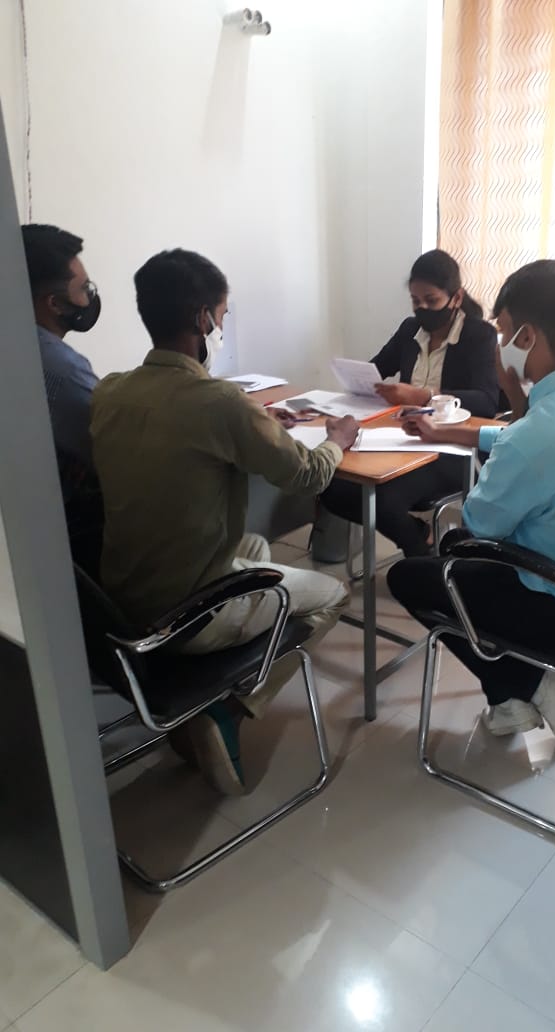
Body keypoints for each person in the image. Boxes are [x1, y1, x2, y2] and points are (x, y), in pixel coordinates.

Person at [90, 248, 358, 795]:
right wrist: (338, 440)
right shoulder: (217, 402)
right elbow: (308, 476)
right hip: (187, 615)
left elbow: (188, 428)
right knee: (334, 595)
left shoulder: (111, 390)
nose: (221, 326)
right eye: (222, 315)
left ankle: (223, 676)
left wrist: (254, 418)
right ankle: (229, 707)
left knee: (254, 544)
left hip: (123, 599)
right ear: (202, 319)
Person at [387, 259, 555, 746]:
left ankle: (521, 684)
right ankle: (515, 691)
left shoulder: (535, 436)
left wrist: (511, 396)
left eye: (502, 332)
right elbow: (535, 435)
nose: (498, 344)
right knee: (454, 551)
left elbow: (480, 521)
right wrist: (451, 433)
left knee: (414, 572)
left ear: (527, 337)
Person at [320, 249, 498, 557]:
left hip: (451, 447)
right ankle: (419, 535)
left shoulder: (479, 335)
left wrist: (424, 396)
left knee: (383, 497)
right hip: (402, 437)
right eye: (416, 301)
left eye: (431, 300)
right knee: (331, 487)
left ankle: (420, 556)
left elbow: (486, 402)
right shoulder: (410, 329)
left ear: (456, 298)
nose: (423, 308)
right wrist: (364, 384)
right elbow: (377, 368)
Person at [21, 224, 104, 572]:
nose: (90, 297)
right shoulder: (62, 370)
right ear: (54, 304)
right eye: (84, 289)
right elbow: (113, 449)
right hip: (75, 542)